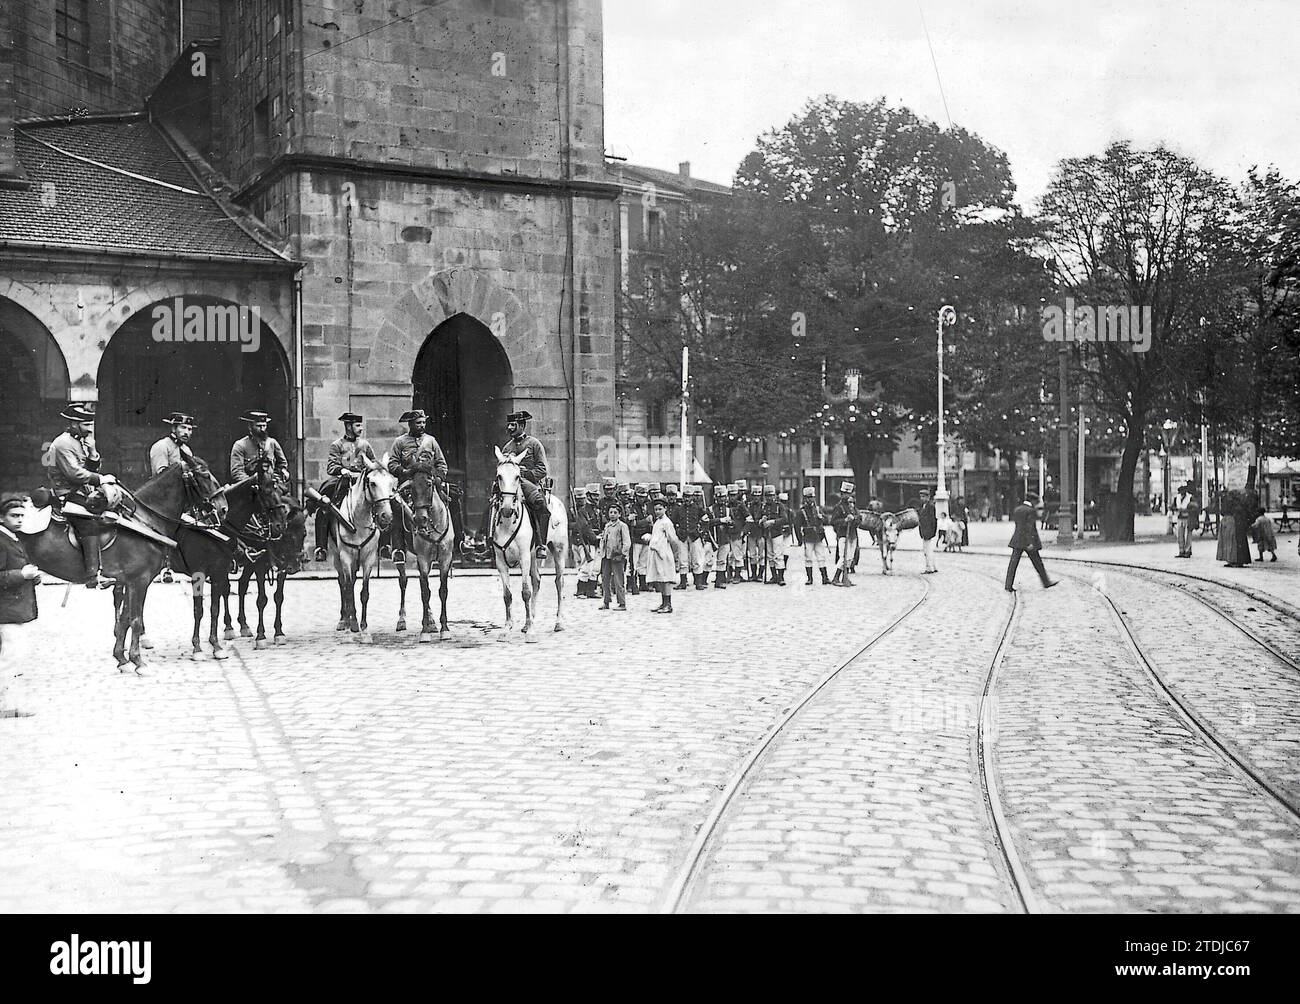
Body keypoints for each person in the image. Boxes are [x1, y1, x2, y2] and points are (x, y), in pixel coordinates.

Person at [45, 401, 119, 589]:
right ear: (72, 423)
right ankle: (93, 575)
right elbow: (75, 474)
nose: (89, 428)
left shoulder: (81, 441)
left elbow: (89, 468)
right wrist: (100, 479)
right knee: (88, 524)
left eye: (90, 424)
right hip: (66, 493)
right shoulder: (62, 443)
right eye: (85, 425)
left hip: (81, 491)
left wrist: (93, 451)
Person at [312, 412, 377, 562]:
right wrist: (342, 470)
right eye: (357, 425)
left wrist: (373, 468)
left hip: (362, 482)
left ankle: (384, 546)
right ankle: (321, 547)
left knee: (382, 504)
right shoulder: (337, 445)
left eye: (361, 425)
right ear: (348, 426)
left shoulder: (365, 445)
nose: (361, 428)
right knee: (324, 509)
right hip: (343, 483)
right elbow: (331, 466)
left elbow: (373, 462)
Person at [1, 496, 41, 718]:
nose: (19, 520)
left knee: (15, 657)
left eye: (21, 516)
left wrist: (31, 577)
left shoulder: (13, 538)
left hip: (16, 610)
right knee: (11, 658)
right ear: (1, 517)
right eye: (14, 516)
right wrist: (21, 574)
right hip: (6, 612)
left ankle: (11, 704)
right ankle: (7, 705)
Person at [1005, 492, 1059, 592]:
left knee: (1013, 563)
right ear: (1032, 501)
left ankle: (1008, 585)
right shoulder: (1030, 511)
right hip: (1028, 542)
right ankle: (1046, 582)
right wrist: (1029, 542)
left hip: (1017, 540)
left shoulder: (1017, 509)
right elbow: (1029, 528)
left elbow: (1020, 527)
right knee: (1038, 562)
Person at [230, 410, 291, 489]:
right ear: (250, 427)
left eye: (264, 426)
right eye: (258, 426)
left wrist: (276, 478)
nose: (262, 429)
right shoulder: (240, 445)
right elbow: (237, 472)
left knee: (290, 501)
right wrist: (251, 482)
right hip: (250, 488)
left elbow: (282, 464)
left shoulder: (272, 443)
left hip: (271, 487)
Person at [643, 497, 681, 614]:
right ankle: (663, 602)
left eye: (660, 509)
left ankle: (668, 604)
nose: (657, 511)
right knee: (660, 578)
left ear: (665, 509)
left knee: (666, 579)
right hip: (657, 554)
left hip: (664, 553)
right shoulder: (658, 522)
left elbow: (673, 540)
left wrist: (675, 556)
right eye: (656, 509)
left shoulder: (666, 523)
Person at [794, 486, 831, 585]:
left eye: (812, 497)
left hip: (818, 537)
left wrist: (821, 518)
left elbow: (827, 520)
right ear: (804, 498)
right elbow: (797, 526)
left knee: (821, 557)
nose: (810, 500)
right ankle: (810, 578)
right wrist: (799, 539)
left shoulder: (818, 509)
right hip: (808, 537)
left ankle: (825, 577)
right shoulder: (801, 512)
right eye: (808, 498)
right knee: (808, 558)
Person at [598, 502, 630, 610]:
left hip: (617, 556)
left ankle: (622, 603)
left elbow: (627, 542)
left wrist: (622, 554)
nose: (612, 514)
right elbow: (604, 540)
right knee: (605, 579)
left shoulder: (622, 526)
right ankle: (606, 601)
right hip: (606, 556)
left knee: (618, 580)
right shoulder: (607, 526)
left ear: (620, 514)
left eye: (615, 512)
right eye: (610, 512)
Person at [830, 481, 859, 587]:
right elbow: (833, 521)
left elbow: (859, 518)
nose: (846, 496)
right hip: (843, 534)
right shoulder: (839, 507)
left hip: (852, 534)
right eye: (844, 493)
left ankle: (845, 577)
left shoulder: (852, 506)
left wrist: (854, 518)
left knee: (850, 558)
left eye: (848, 493)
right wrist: (845, 521)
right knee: (843, 557)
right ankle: (836, 578)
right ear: (841, 494)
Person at [708, 483, 731, 589]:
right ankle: (702, 580)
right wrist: (720, 520)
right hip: (713, 538)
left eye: (723, 497)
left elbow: (735, 523)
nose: (721, 499)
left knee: (722, 560)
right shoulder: (710, 509)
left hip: (724, 537)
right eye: (718, 497)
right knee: (708, 560)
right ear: (715, 497)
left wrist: (731, 523)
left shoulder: (728, 510)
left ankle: (719, 580)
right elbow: (707, 522)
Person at [1173, 481, 1197, 559]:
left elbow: (1195, 507)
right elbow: (1173, 506)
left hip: (1187, 517)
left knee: (1188, 535)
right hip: (1179, 517)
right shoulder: (1177, 497)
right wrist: (1176, 509)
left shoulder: (1190, 497)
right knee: (1180, 535)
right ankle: (1181, 550)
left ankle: (1187, 551)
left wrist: (1188, 510)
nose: (1182, 492)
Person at [918, 488, 938, 574]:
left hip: (928, 531)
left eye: (923, 497)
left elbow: (933, 520)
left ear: (928, 497)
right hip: (924, 531)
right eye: (921, 497)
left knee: (927, 550)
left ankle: (929, 568)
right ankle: (933, 566)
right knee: (929, 549)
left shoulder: (930, 507)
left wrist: (932, 532)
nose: (922, 498)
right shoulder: (923, 506)